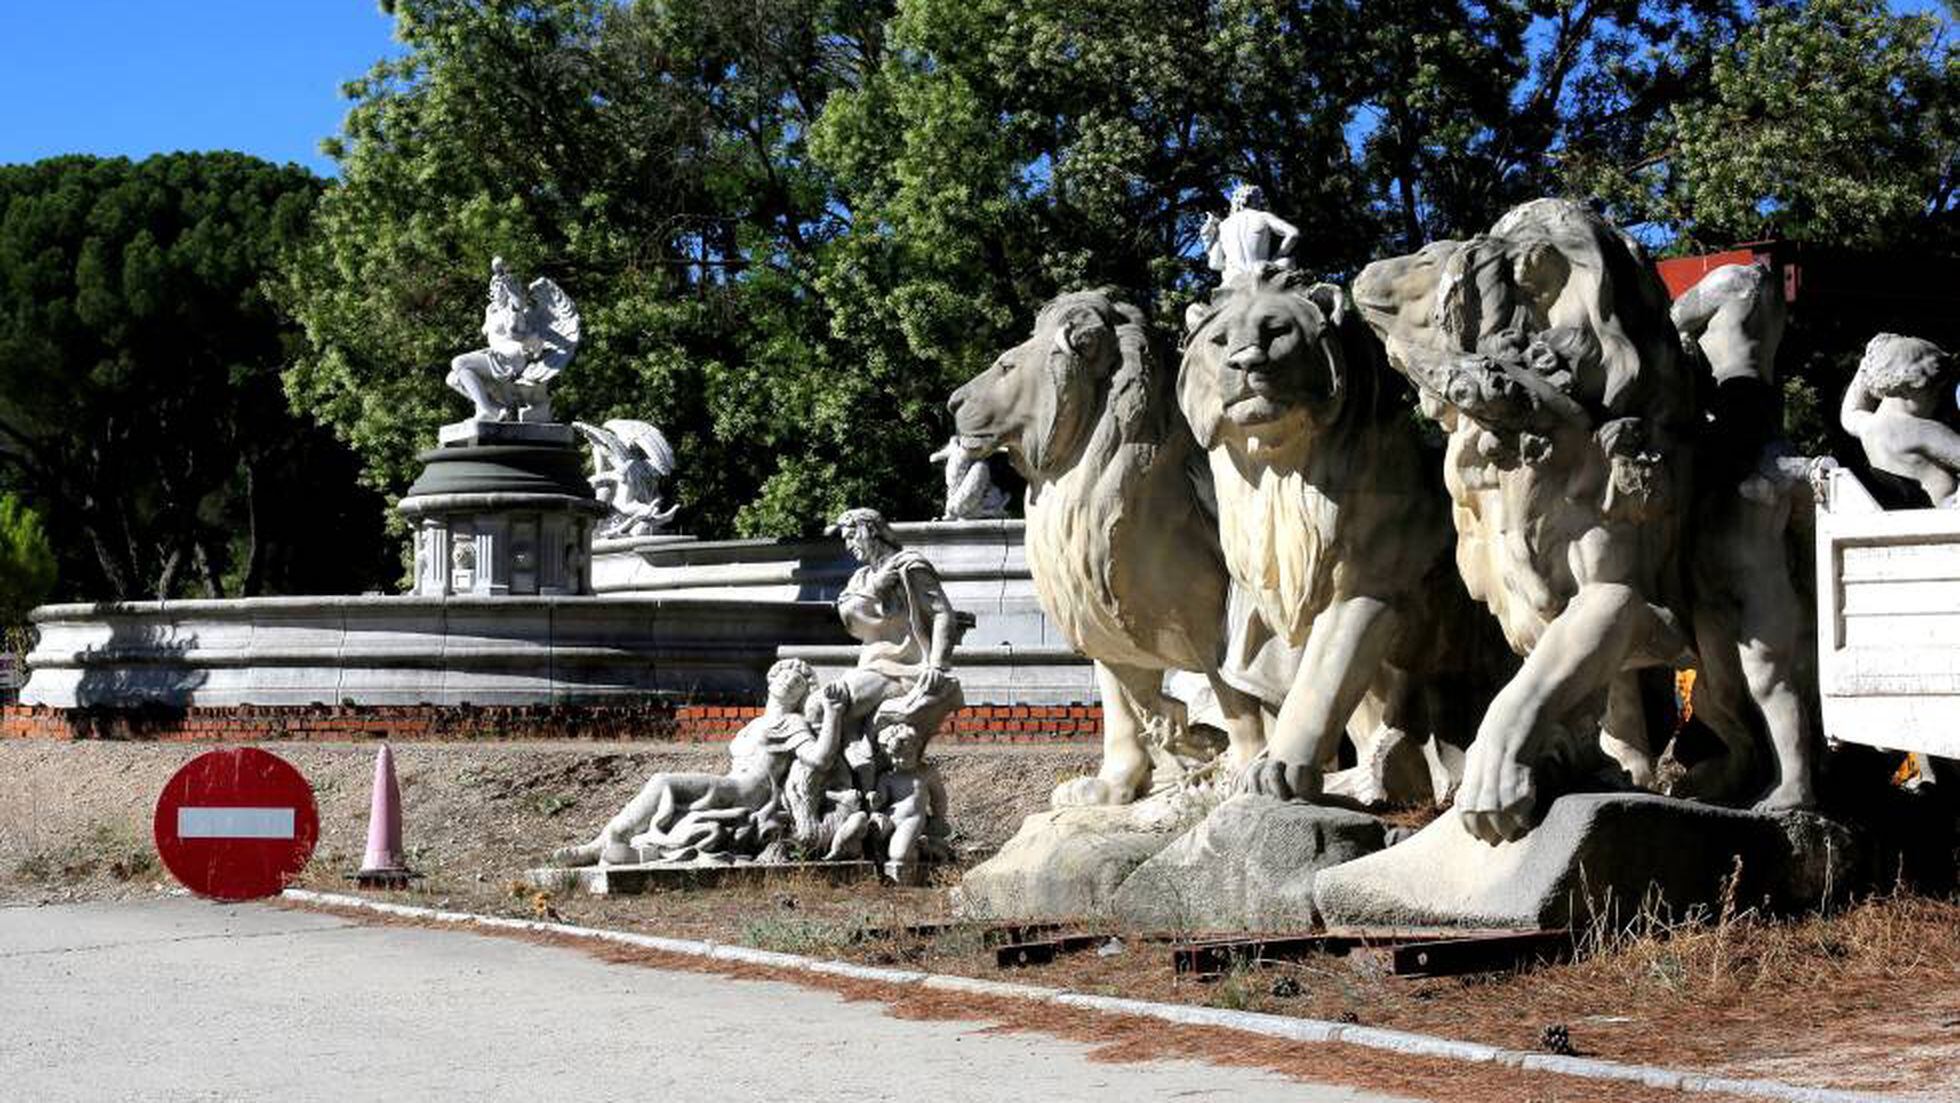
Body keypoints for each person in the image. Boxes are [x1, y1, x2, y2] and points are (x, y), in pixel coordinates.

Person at [550, 658, 821, 867]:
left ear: (800, 698)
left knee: (663, 781)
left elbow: (818, 757)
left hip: (748, 791)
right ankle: (628, 847)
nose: (789, 682)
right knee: (671, 793)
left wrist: (830, 716)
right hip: (732, 783)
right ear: (771, 680)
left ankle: (606, 841)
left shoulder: (793, 723)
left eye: (797, 684)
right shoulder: (755, 724)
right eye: (786, 675)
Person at [819, 508, 967, 789]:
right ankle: (851, 765)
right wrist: (875, 587)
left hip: (903, 669)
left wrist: (937, 665)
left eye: (852, 537)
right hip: (872, 665)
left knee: (826, 707)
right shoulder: (862, 579)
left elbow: (942, 614)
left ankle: (852, 770)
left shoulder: (909, 566)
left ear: (869, 531)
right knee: (820, 706)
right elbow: (850, 618)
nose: (849, 546)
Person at [1841, 333, 1960, 506]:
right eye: (1935, 391)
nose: (1939, 400)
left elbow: (1850, 412)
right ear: (1909, 389)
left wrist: (1866, 366)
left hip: (1906, 508)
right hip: (1946, 511)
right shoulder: (1920, 430)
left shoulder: (1869, 426)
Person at [1202, 184, 1300, 278]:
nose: (1260, 203)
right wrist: (1279, 254)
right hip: (1261, 272)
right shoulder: (1263, 216)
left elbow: (1214, 264)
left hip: (1234, 277)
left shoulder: (1223, 225)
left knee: (1226, 272)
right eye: (1258, 199)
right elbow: (1293, 233)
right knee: (1287, 261)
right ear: (1251, 200)